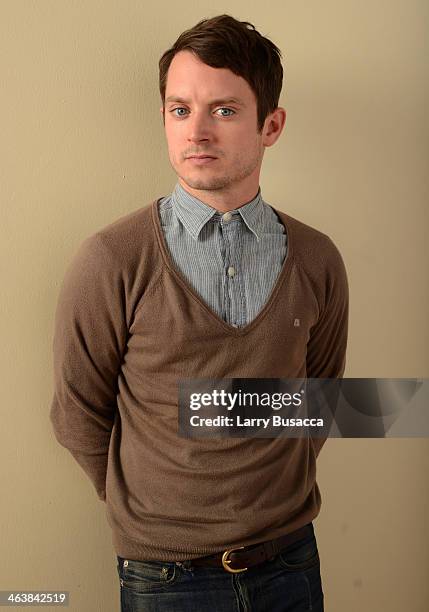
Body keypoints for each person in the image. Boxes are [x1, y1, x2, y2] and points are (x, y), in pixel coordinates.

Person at [50, 13, 349, 612]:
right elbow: (76, 412)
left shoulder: (317, 259)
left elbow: (320, 398)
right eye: (180, 109)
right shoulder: (111, 259)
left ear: (272, 125)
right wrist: (153, 512)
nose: (197, 133)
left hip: (291, 560)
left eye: (225, 110)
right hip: (162, 577)